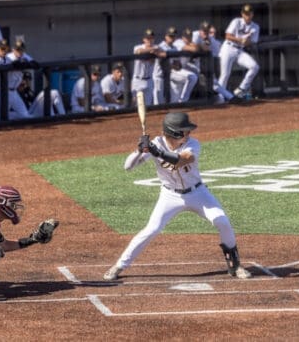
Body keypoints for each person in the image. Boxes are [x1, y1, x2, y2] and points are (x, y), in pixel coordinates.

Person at [103, 112, 252, 281]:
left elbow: (182, 160)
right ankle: (119, 265)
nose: (189, 134)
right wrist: (140, 150)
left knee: (222, 221)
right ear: (175, 133)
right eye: (185, 131)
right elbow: (128, 167)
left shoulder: (192, 144)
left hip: (198, 193)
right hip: (170, 196)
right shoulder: (156, 144)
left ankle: (235, 265)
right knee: (151, 229)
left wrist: (156, 152)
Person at [219, 4, 260, 100]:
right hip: (228, 48)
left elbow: (253, 41)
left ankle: (241, 89)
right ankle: (220, 98)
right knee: (225, 74)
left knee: (254, 67)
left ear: (252, 14)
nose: (247, 16)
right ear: (242, 14)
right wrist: (240, 40)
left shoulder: (255, 27)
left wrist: (246, 42)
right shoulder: (236, 21)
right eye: (245, 13)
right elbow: (228, 36)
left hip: (239, 50)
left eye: (249, 13)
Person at [6, 39, 40, 119]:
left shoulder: (24, 55)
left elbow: (35, 65)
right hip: (5, 92)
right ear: (13, 49)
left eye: (21, 50)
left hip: (14, 92)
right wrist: (24, 63)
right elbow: (16, 64)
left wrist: (27, 62)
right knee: (1, 117)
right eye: (17, 50)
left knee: (25, 116)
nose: (19, 52)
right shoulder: (9, 56)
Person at [169, 28, 201, 103]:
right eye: (186, 37)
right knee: (192, 77)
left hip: (180, 71)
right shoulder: (178, 42)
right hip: (173, 70)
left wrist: (194, 45)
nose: (188, 39)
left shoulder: (190, 43)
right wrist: (194, 45)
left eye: (190, 37)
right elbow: (194, 49)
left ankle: (180, 102)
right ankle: (183, 101)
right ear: (182, 37)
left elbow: (198, 48)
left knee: (175, 98)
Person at [131, 28, 160, 105]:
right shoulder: (137, 46)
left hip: (149, 80)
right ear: (144, 39)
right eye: (147, 38)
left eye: (151, 38)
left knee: (148, 106)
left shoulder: (157, 47)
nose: (149, 40)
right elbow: (139, 51)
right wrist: (152, 49)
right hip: (138, 80)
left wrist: (154, 50)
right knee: (136, 105)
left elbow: (153, 59)